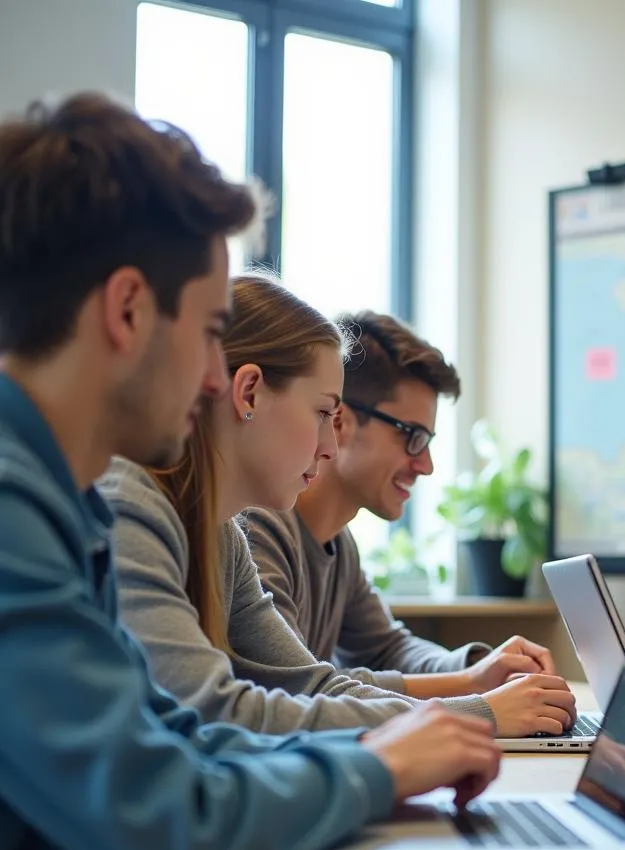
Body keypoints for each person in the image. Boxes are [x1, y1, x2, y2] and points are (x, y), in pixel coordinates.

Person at [0, 92, 499, 850]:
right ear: (126, 311)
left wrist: (381, 750)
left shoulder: (57, 499)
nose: (213, 378)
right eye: (211, 331)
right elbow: (168, 818)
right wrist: (378, 768)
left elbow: (173, 734)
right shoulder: (15, 506)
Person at [98, 279, 576, 737]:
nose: (329, 444)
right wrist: (479, 713)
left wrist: (477, 701)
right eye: (324, 413)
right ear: (247, 393)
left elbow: (312, 684)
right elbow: (224, 709)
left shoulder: (224, 534)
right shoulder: (136, 504)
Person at [246, 312, 569, 723]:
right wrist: (473, 692)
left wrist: (479, 667)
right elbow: (305, 687)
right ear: (340, 420)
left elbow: (387, 649)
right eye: (412, 437)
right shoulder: (258, 526)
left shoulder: (339, 544)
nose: (427, 465)